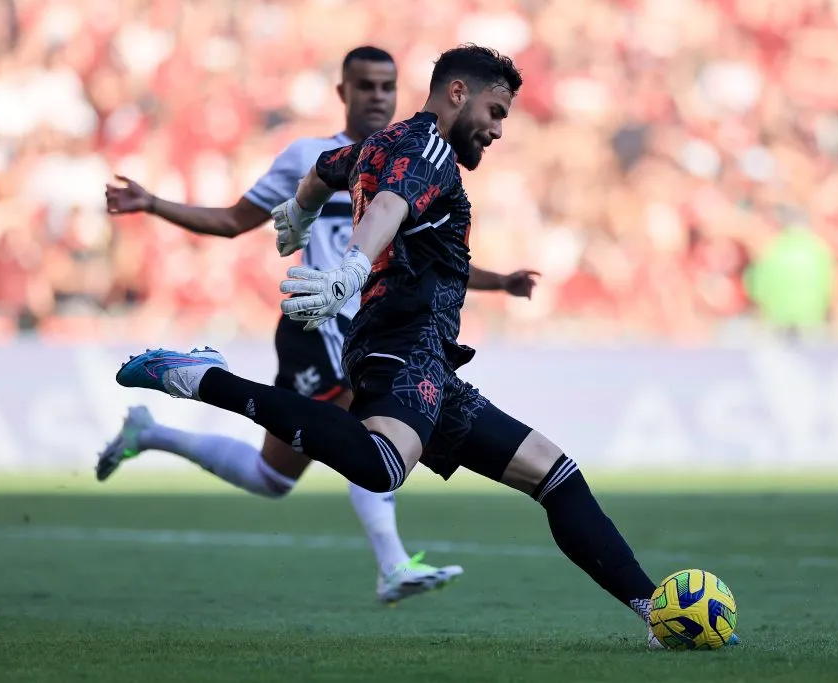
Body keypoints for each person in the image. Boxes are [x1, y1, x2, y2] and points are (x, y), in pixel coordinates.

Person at [116, 44, 738, 648]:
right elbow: (387, 206)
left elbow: (326, 171)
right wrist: (349, 269)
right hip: (402, 344)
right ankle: (203, 377)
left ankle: (655, 611)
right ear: (457, 93)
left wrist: (301, 215)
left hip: (429, 361)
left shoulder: (378, 145)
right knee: (383, 465)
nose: (497, 131)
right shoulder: (430, 151)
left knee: (556, 476)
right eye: (495, 113)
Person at [100, 46, 539, 605]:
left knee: (272, 478)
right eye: (365, 86)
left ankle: (150, 431)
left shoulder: (408, 157)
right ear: (343, 93)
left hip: (374, 322)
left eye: (387, 86)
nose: (378, 96)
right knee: (372, 432)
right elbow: (237, 221)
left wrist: (500, 283)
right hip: (322, 324)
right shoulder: (310, 156)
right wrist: (155, 203)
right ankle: (392, 562)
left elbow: (433, 260)